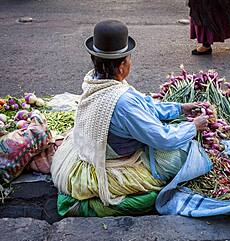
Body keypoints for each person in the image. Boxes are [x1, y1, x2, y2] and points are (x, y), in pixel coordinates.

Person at [51, 20, 209, 216]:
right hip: (116, 163)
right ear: (122, 65)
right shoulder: (123, 102)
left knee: (175, 131)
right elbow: (164, 139)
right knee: (182, 160)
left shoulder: (96, 79)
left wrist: (179, 109)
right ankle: (87, 207)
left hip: (97, 149)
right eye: (129, 58)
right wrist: (194, 126)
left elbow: (145, 105)